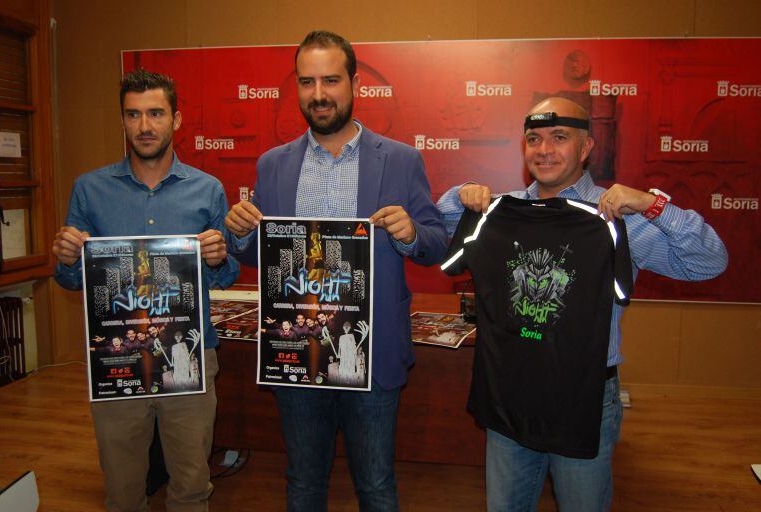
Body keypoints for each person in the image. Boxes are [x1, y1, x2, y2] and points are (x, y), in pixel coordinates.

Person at [436, 96, 728, 512]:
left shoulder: (617, 219)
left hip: (585, 395)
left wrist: (652, 204)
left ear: (586, 147)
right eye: (534, 139)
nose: (544, 150)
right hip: (510, 386)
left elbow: (710, 262)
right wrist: (460, 195)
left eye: (559, 137)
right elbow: (433, 229)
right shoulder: (501, 210)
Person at [225, 30, 447, 511]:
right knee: (303, 484)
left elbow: (436, 244)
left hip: (370, 355)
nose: (319, 94)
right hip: (296, 352)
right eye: (307, 82)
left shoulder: (402, 160)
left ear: (354, 84)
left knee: (376, 486)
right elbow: (257, 254)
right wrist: (241, 233)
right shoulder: (273, 165)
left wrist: (412, 234)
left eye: (330, 80)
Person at [52, 69, 239, 512]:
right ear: (122, 121)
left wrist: (217, 259)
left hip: (188, 359)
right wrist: (65, 260)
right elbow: (73, 280)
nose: (144, 126)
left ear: (176, 120)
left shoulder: (207, 189)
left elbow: (224, 277)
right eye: (133, 114)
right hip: (117, 359)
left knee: (192, 486)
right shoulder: (90, 189)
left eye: (155, 113)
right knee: (122, 490)